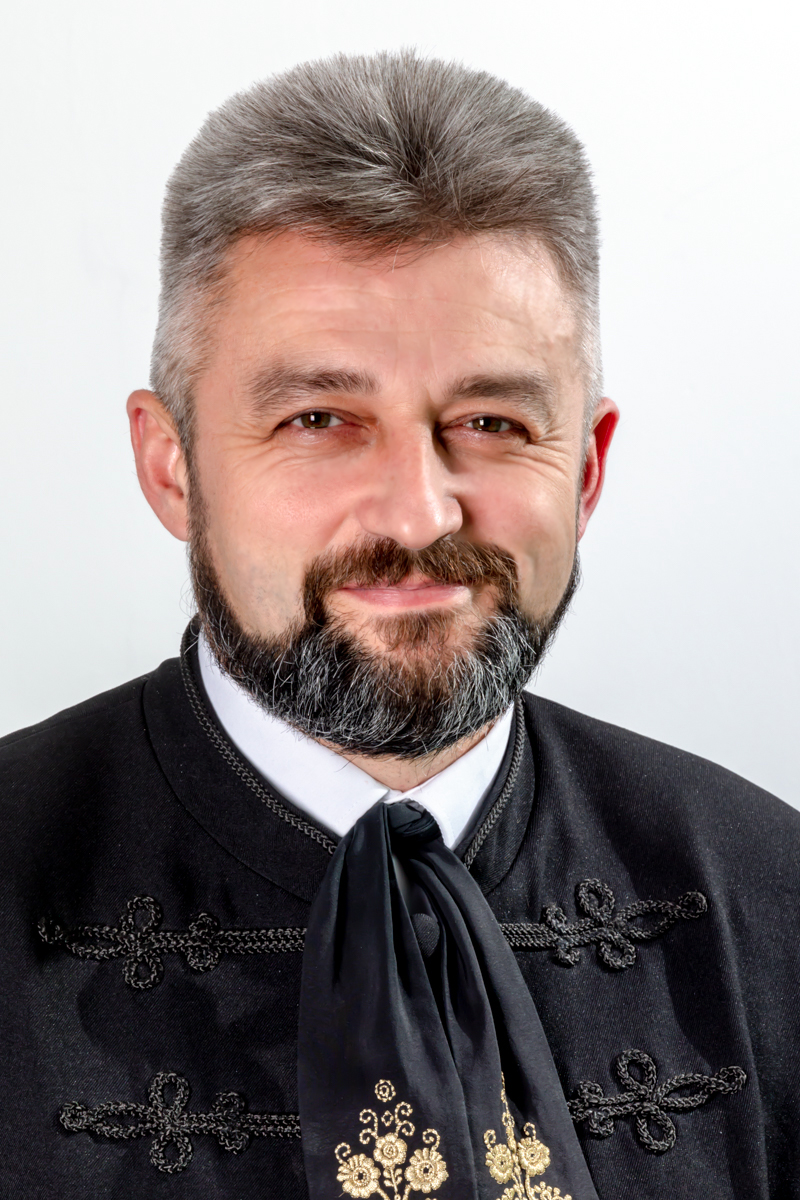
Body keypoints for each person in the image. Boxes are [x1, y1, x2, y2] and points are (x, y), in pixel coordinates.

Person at [1, 49, 797, 1200]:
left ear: (584, 467)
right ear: (171, 466)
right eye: (319, 418)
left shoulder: (773, 896)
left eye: (489, 421)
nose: (419, 514)